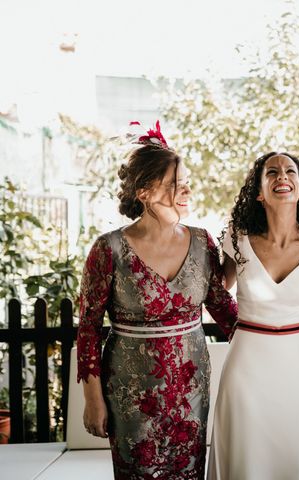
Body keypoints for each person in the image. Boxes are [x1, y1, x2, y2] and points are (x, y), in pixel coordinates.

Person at [77, 122, 237, 480]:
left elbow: (225, 310)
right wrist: (93, 399)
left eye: (186, 182)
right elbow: (88, 330)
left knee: (190, 471)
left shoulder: (202, 241)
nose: (186, 190)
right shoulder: (109, 249)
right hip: (131, 391)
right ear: (145, 192)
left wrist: (269, 347)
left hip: (192, 387)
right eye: (175, 184)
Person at [208, 152, 299, 480]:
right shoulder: (237, 238)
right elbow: (216, 288)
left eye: (290, 171)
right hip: (247, 367)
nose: (282, 176)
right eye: (272, 172)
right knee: (246, 457)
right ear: (258, 191)